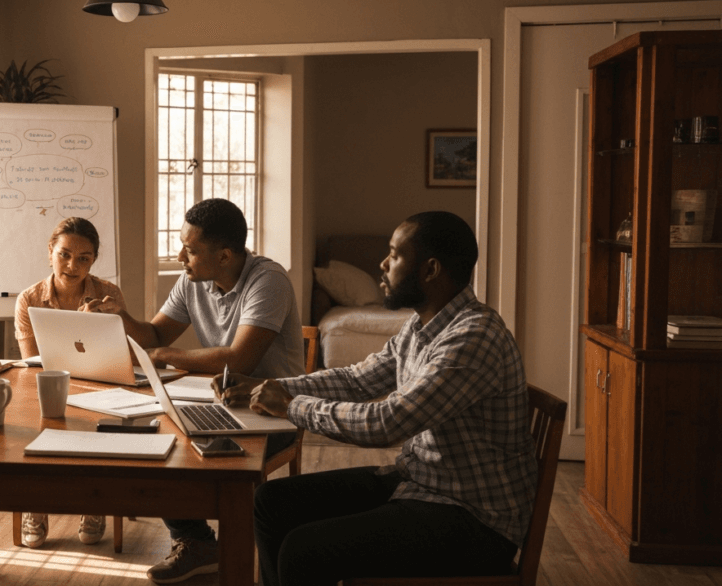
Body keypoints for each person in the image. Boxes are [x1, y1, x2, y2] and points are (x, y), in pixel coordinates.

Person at [226, 211, 536, 586]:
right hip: (422, 483)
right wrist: (278, 385)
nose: (383, 264)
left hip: (474, 519)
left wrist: (291, 406)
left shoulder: (472, 337)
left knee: (303, 549)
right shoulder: (422, 324)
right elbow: (359, 380)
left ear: (430, 270)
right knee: (271, 502)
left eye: (394, 254)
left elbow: (387, 423)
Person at [86, 198, 303, 583]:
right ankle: (197, 540)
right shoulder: (191, 280)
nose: (180, 255)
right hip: (218, 400)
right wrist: (121, 317)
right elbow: (154, 334)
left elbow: (239, 361)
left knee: (174, 446)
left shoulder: (269, 280)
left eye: (190, 249)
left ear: (224, 256)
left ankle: (228, 551)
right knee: (151, 440)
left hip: (271, 410)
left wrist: (165, 355)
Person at [13, 216, 126, 548]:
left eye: (84, 258)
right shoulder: (29, 298)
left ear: (93, 260)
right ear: (50, 252)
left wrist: (109, 321)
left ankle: (93, 503)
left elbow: (117, 359)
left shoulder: (109, 294)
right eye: (64, 254)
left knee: (100, 423)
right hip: (47, 383)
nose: (72, 265)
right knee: (36, 418)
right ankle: (37, 504)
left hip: (99, 381)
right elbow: (34, 364)